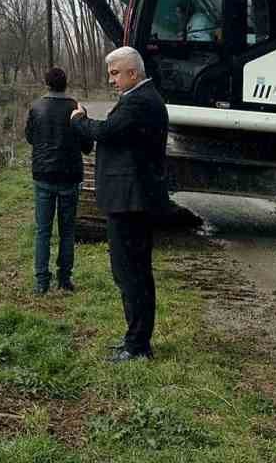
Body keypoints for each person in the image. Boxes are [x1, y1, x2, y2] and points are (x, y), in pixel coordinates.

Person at [69, 46, 168, 361]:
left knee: (131, 273)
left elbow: (107, 131)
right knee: (131, 272)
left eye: (115, 74)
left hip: (131, 201)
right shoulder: (140, 99)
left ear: (132, 73)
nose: (111, 80)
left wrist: (79, 121)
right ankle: (134, 339)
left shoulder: (139, 102)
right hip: (131, 199)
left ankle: (138, 346)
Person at [24, 65, 88, 294]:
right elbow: (87, 146)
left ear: (47, 83)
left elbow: (30, 138)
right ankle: (65, 280)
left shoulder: (36, 107)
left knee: (42, 230)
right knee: (67, 230)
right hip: (70, 175)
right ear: (66, 83)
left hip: (43, 174)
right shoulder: (77, 109)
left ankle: (41, 282)